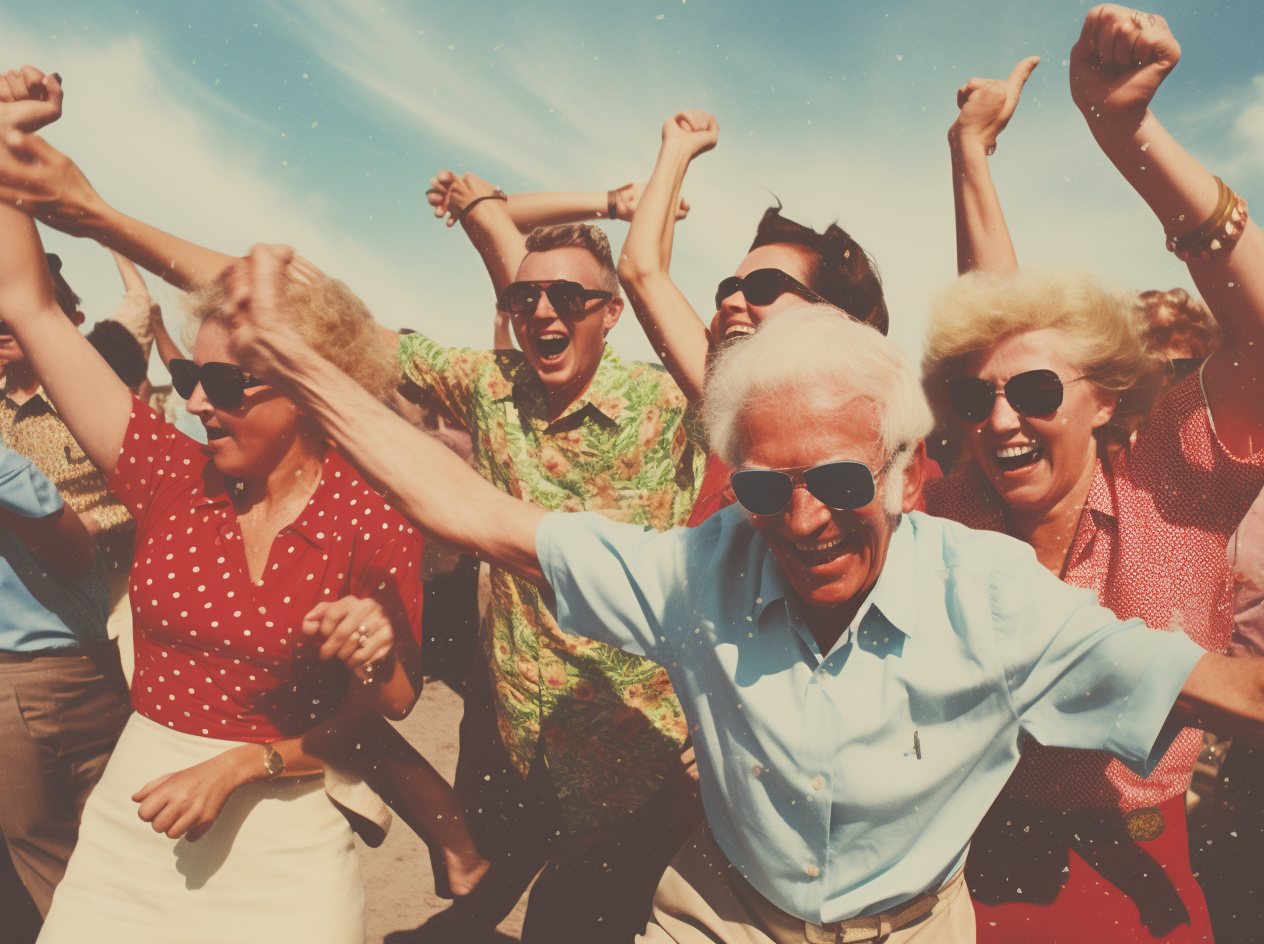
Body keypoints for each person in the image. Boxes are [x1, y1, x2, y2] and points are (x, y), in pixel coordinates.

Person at [221, 249, 1264, 943]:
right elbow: (473, 510)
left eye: (843, 484)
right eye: (767, 488)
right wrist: (300, 369)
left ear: (904, 474)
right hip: (717, 919)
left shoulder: (993, 598)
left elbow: (1227, 688)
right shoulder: (697, 568)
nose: (805, 520)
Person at [0, 89, 440, 936]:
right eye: (194, 378)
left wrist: (363, 665)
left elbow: (389, 705)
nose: (199, 402)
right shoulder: (170, 473)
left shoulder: (371, 510)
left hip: (287, 836)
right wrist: (10, 149)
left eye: (231, 384)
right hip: (136, 825)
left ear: (310, 389)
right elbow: (29, 305)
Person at [923, 8, 1264, 941]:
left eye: (1037, 392)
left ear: (1106, 399)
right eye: (973, 398)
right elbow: (995, 335)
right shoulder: (956, 503)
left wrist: (1128, 132)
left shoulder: (1174, 484)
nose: (999, 421)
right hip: (963, 867)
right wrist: (971, 152)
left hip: (1140, 873)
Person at [407, 171, 708, 942]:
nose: (543, 311)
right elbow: (346, 332)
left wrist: (657, 176)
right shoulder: (490, 385)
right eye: (524, 298)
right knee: (488, 878)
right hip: (511, 728)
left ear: (612, 314)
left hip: (631, 756)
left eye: (570, 300)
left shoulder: (669, 404)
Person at [615, 108, 896, 524]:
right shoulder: (735, 406)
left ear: (834, 317)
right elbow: (640, 269)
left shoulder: (887, 439)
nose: (730, 302)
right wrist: (678, 149)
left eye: (763, 287)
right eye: (728, 289)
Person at [0, 440, 130, 929]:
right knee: (87, 873)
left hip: (47, 673)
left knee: (64, 877)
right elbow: (73, 555)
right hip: (52, 669)